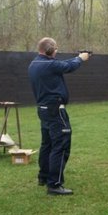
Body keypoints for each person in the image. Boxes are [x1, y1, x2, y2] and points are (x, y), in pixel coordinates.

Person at [28, 37, 91, 196]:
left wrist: (78, 57)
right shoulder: (49, 64)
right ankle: (54, 184)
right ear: (49, 50)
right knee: (61, 144)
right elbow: (69, 66)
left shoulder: (36, 63)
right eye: (55, 49)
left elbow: (62, 64)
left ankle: (43, 177)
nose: (56, 51)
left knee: (47, 144)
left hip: (44, 109)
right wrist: (81, 59)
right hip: (55, 110)